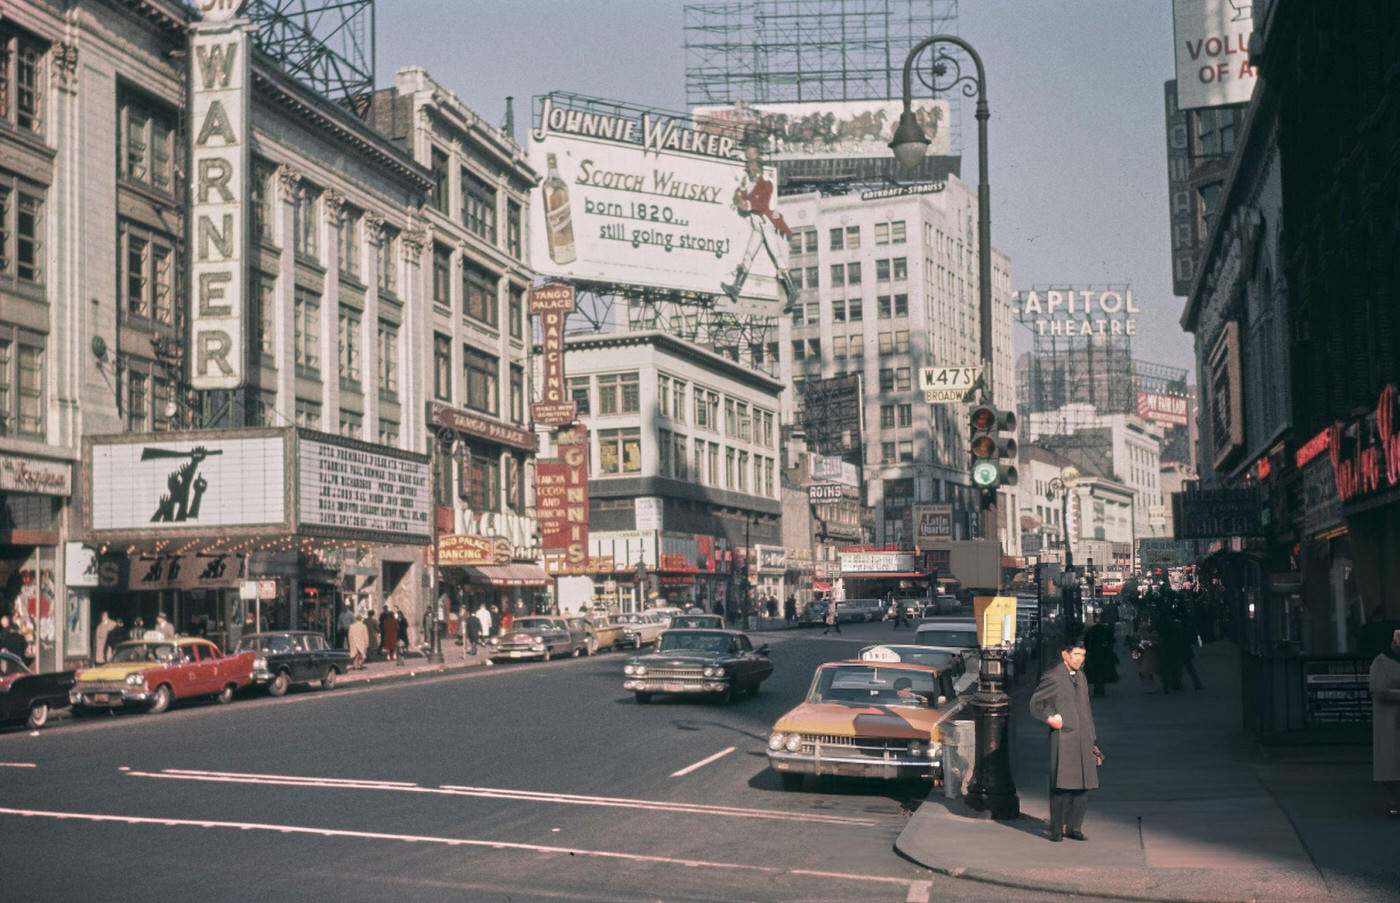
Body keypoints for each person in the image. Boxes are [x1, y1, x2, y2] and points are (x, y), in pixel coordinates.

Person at [1029, 637, 1104, 843]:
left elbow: (1087, 710)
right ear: (1065, 655)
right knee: (1061, 786)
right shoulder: (1053, 676)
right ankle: (1056, 828)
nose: (1080, 660)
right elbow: (1036, 703)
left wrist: (1093, 740)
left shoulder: (1081, 677)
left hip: (1083, 736)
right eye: (1076, 655)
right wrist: (1050, 717)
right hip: (1063, 737)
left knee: (1082, 786)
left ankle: (1074, 827)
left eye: (1083, 656)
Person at [720, 145, 794, 308]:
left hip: (765, 223)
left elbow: (760, 204)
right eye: (749, 166)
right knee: (748, 255)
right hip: (757, 225)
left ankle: (792, 290)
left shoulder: (766, 183)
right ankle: (735, 288)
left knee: (777, 257)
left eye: (753, 166)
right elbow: (740, 193)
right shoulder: (750, 183)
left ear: (759, 167)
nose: (750, 169)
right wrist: (739, 196)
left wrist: (745, 202)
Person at [1369, 628, 1400, 817]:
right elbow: (1378, 689)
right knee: (1391, 764)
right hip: (1390, 720)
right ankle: (1396, 801)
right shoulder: (1382, 662)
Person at [1081, 614, 1119, 697]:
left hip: (1094, 654)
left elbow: (1086, 641)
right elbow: (1112, 641)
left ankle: (1097, 687)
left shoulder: (1091, 630)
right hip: (1104, 654)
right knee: (1102, 671)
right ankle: (1101, 687)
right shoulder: (1106, 630)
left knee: (1095, 671)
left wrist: (1089, 650)